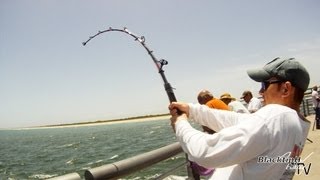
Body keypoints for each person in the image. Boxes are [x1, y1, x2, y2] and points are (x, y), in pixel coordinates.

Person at [169, 57, 310, 180]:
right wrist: (192, 110)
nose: (260, 91)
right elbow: (236, 120)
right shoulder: (296, 123)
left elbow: (207, 152)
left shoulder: (276, 115)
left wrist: (181, 124)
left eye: (264, 84)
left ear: (286, 89)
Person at [190, 90, 229, 179]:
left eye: (200, 101)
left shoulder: (209, 104)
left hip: (222, 139)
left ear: (206, 97)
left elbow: (206, 127)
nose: (200, 104)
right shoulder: (218, 102)